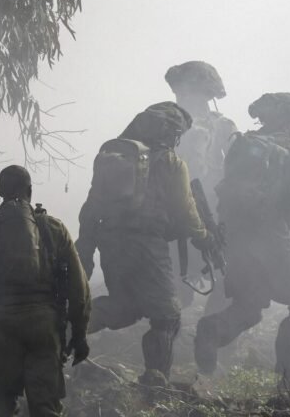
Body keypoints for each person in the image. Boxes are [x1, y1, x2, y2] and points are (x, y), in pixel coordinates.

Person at [76, 102, 212, 386]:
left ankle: (58, 331)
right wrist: (203, 237)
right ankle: (155, 384)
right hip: (148, 246)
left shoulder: (113, 157)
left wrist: (86, 248)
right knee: (167, 317)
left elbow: (90, 206)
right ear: (171, 132)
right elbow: (186, 209)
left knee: (124, 305)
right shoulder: (171, 162)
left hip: (110, 244)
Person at [194, 92, 290, 386]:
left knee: (249, 304)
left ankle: (212, 330)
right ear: (288, 120)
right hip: (273, 238)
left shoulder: (243, 145)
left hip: (235, 238)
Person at [0, 165, 91, 417]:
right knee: (45, 408)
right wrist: (79, 335)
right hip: (44, 330)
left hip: (2, 328)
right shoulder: (54, 229)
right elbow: (78, 289)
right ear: (30, 191)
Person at [164, 61, 237, 308]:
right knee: (182, 285)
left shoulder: (219, 124)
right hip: (191, 211)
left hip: (201, 209)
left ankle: (207, 327)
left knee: (217, 279)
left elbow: (238, 165)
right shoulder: (172, 123)